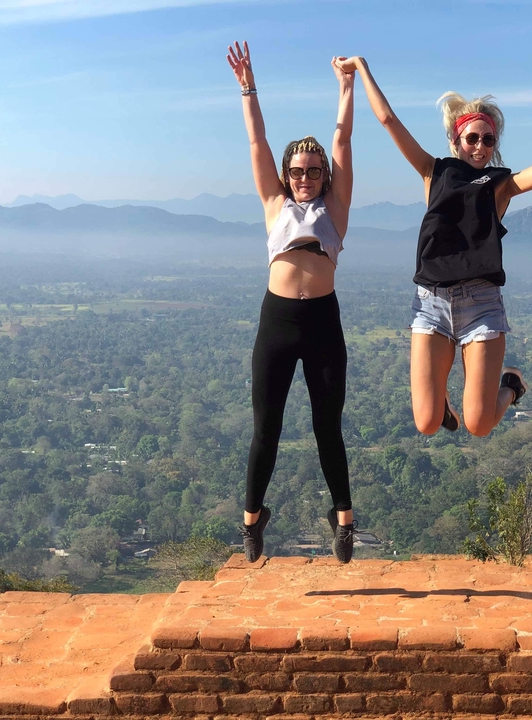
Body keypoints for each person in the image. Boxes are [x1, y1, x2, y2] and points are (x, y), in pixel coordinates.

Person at [337, 57, 532, 437]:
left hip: (482, 304)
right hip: (432, 302)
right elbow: (389, 121)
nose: (480, 146)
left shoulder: (500, 184)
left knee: (477, 425)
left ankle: (512, 385)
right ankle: (440, 398)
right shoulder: (435, 171)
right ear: (456, 140)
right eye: (472, 138)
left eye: (488, 139)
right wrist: (361, 69)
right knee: (426, 424)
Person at [226, 41, 357, 563]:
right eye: (297, 171)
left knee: (329, 425)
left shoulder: (336, 206)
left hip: (323, 321)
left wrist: (346, 88)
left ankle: (343, 518)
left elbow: (343, 138)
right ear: (286, 175)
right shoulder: (274, 203)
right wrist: (248, 88)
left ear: (325, 176)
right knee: (268, 428)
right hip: (277, 321)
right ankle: (253, 519)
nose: (305, 178)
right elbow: (256, 140)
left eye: (314, 171)